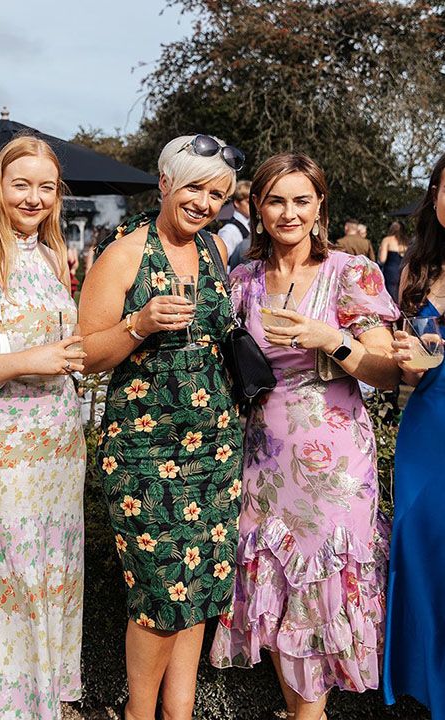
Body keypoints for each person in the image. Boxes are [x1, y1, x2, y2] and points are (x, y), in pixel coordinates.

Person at [210, 152, 400, 720]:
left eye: (300, 200)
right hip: (265, 457)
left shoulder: (351, 273)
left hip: (334, 461)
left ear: (320, 205)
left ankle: (308, 715)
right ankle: (301, 714)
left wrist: (329, 337)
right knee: (277, 582)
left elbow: (387, 373)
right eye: (275, 200)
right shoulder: (243, 279)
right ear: (256, 207)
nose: (287, 212)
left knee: (321, 587)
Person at [78, 133, 245, 720]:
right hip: (146, 453)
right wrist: (140, 324)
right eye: (195, 187)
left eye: (218, 194)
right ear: (166, 182)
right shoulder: (124, 254)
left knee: (197, 590)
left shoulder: (215, 254)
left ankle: (182, 713)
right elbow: (86, 356)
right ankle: (138, 714)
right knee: (156, 594)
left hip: (216, 450)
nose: (204, 202)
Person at [0, 136, 86, 719]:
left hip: (58, 459)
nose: (34, 197)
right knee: (8, 586)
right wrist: (26, 362)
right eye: (22, 184)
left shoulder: (46, 255)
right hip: (2, 460)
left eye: (46, 186)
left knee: (48, 581)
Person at [383, 153, 445, 719]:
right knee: (426, 557)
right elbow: (409, 365)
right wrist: (410, 361)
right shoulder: (419, 268)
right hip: (427, 432)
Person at [218, 179, 251, 270]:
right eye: (248, 202)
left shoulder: (250, 227)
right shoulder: (229, 231)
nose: (253, 206)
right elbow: (220, 265)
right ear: (236, 203)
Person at [378, 220, 409, 302]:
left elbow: (382, 259)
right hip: (404, 271)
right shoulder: (407, 242)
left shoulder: (387, 240)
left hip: (390, 272)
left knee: (390, 297)